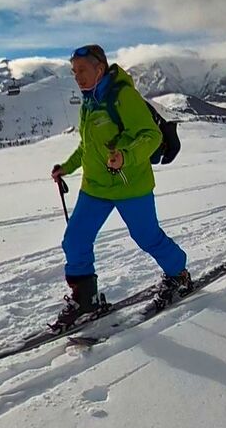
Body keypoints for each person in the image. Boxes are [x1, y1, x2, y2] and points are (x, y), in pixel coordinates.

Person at [50, 44, 190, 327]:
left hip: (131, 186)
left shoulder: (123, 96)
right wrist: (68, 166)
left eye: (83, 70)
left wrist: (125, 157)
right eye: (74, 71)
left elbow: (150, 136)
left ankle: (178, 275)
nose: (77, 77)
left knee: (147, 237)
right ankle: (85, 299)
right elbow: (87, 146)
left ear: (99, 68)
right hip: (96, 188)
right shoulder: (89, 101)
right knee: (75, 240)